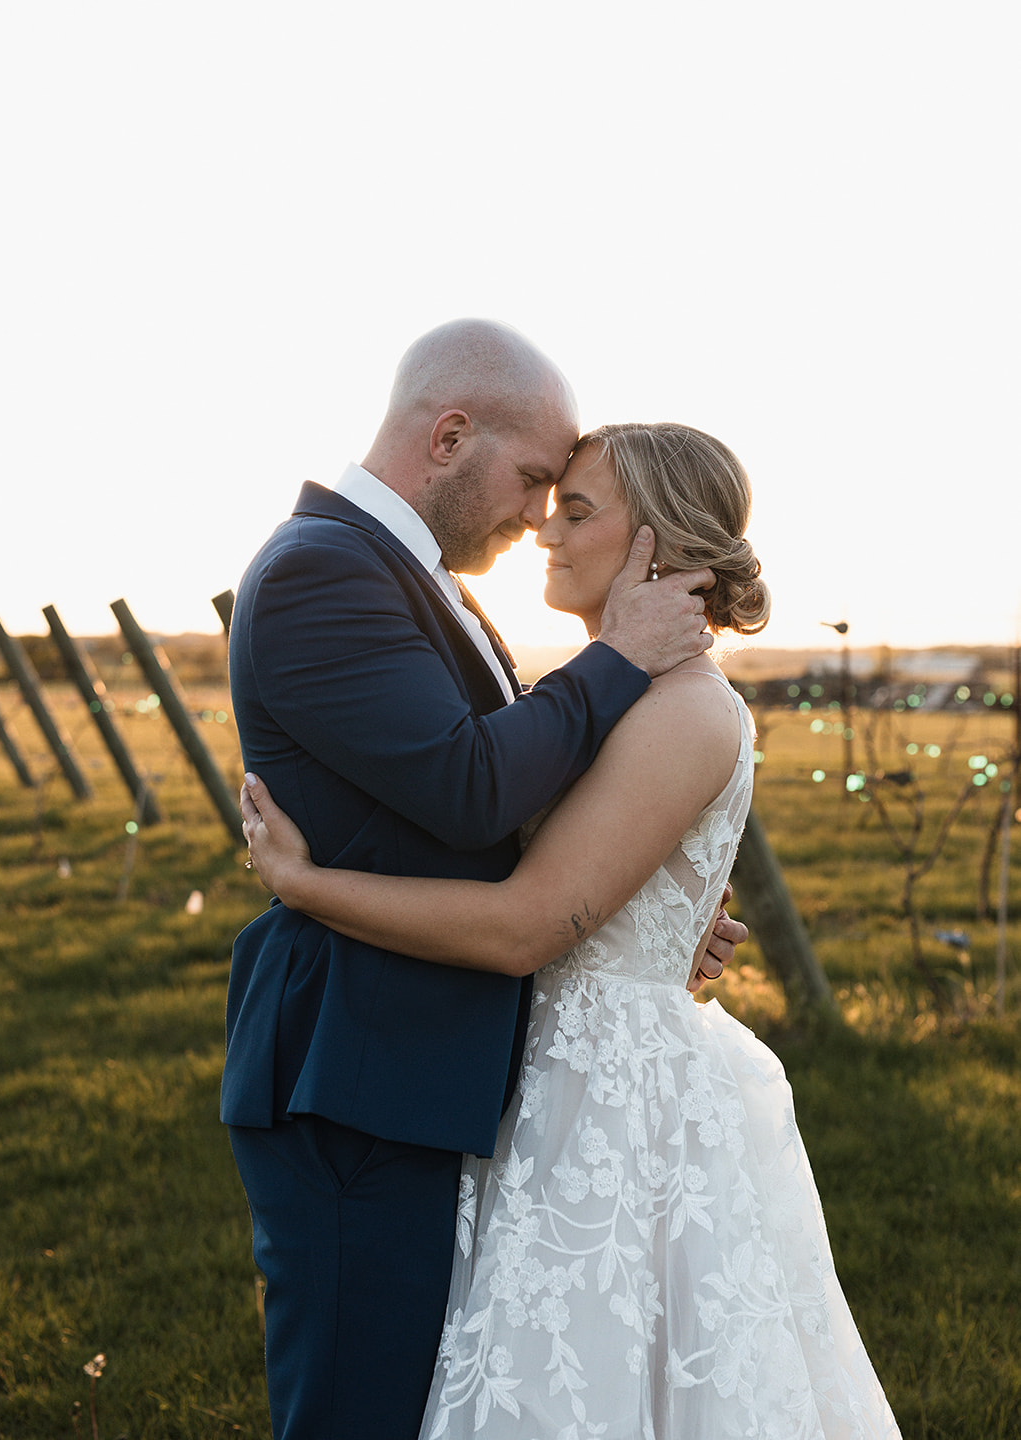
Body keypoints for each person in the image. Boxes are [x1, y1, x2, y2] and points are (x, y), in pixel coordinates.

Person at [241, 420, 902, 1439]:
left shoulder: (684, 711)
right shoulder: (615, 692)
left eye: (577, 508)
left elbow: (525, 924)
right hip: (529, 1077)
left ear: (660, 546)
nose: (545, 526)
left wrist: (305, 883)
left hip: (601, 1107)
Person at [220, 322, 747, 1440]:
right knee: (354, 1413)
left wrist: (637, 921)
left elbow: (503, 826)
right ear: (450, 435)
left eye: (566, 499)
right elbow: (468, 786)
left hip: (428, 1073)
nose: (532, 514)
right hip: (355, 1076)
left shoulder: (407, 577)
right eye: (531, 482)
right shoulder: (322, 569)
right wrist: (619, 654)